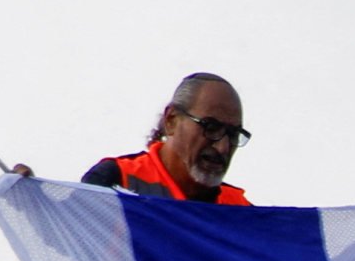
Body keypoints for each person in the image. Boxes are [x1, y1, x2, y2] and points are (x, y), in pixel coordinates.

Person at [79, 73, 252, 205]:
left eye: (233, 134)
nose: (222, 147)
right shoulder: (116, 181)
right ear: (171, 120)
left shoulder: (242, 211)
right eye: (211, 127)